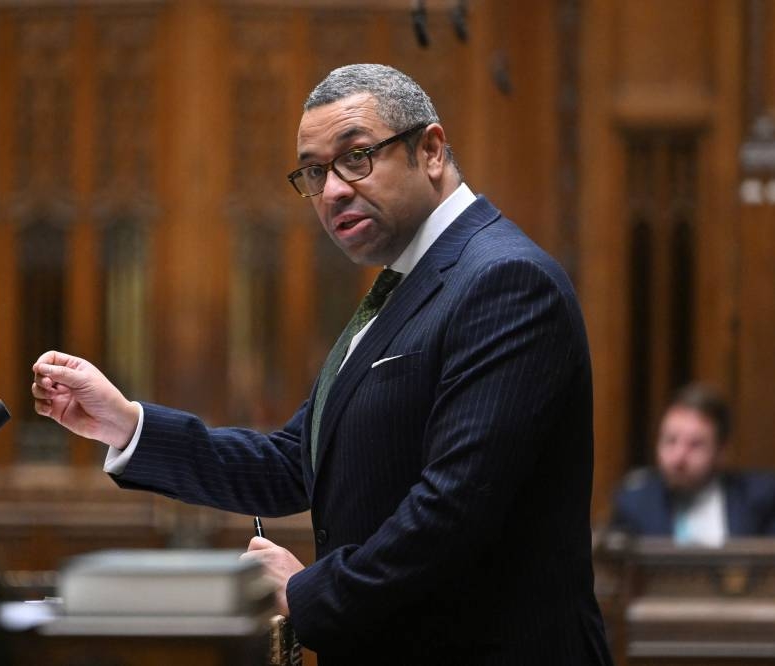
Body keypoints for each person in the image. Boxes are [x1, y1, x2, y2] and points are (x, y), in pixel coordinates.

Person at [32, 64, 612, 665]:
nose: (332, 189)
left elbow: (455, 509)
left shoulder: (502, 280)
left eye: (357, 156)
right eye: (314, 171)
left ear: (431, 150)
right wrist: (126, 425)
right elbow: (295, 462)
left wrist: (304, 591)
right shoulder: (404, 286)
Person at [611, 382, 775, 545]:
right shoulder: (634, 503)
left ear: (722, 451)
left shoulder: (761, 499)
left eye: (695, 445)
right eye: (670, 441)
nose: (678, 458)